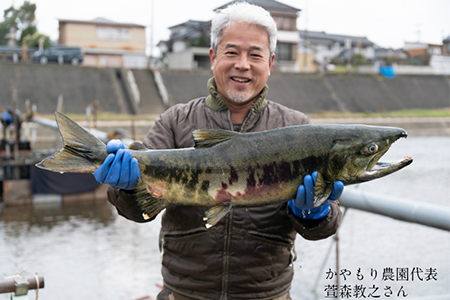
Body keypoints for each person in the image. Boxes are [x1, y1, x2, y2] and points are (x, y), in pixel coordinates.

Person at [94, 3, 344, 299]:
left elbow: (322, 228)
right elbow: (139, 212)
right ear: (213, 57)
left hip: (267, 294)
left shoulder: (296, 127)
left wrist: (315, 214)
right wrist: (126, 191)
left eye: (255, 55)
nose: (243, 64)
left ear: (270, 63)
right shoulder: (176, 121)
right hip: (184, 292)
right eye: (231, 52)